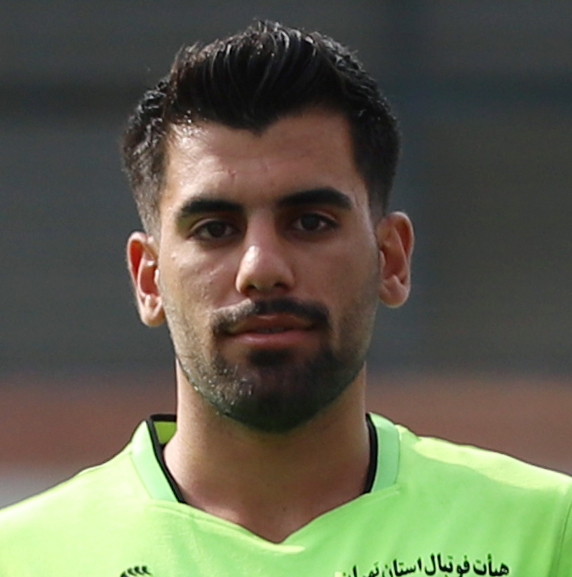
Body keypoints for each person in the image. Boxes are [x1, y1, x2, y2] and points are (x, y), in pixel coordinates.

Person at [0, 20, 570, 576]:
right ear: (149, 280)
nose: (262, 268)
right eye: (215, 229)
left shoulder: (545, 533)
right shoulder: (22, 559)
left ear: (391, 260)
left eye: (310, 222)